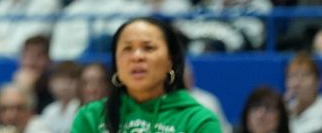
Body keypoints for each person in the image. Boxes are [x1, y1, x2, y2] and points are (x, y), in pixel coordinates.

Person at [71, 17, 222, 133]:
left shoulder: (198, 120)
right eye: (127, 49)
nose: (137, 57)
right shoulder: (91, 116)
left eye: (148, 48)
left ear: (170, 60)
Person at [284, 53, 322, 133]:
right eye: (292, 76)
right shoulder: (283, 111)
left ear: (318, 82)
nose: (297, 83)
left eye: (304, 76)